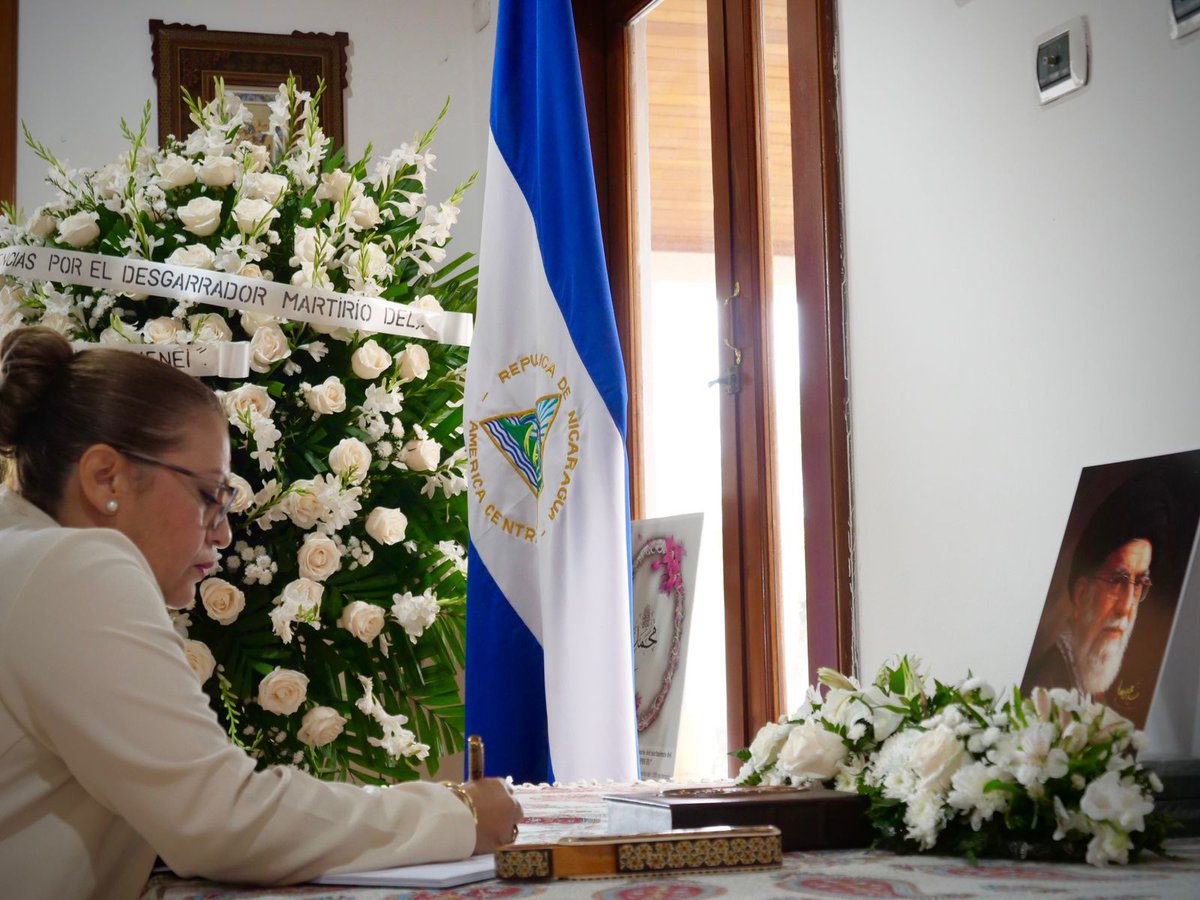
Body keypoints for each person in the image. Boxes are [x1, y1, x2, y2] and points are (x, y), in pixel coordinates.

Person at [0, 326, 522, 899]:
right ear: (106, 478)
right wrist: (458, 814)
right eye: (209, 496)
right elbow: (218, 818)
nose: (223, 532)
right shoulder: (75, 569)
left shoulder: (25, 552)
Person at [1022, 473, 1168, 701]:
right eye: (1117, 581)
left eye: (1139, 583)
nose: (1126, 607)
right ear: (1081, 594)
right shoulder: (1044, 685)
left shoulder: (1084, 686)